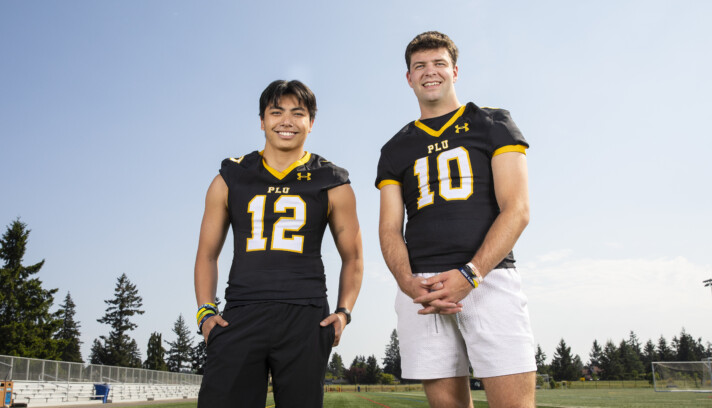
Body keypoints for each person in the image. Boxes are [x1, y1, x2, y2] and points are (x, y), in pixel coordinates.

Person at [376, 31, 536, 408]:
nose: (429, 72)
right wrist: (406, 282)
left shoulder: (492, 122)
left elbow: (517, 209)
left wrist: (471, 273)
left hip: (488, 278)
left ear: (455, 71)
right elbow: (388, 228)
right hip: (424, 289)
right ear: (409, 77)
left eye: (438, 64)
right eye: (420, 66)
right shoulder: (395, 147)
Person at [195, 79, 363, 408]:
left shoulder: (331, 180)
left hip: (306, 317)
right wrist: (205, 312)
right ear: (262, 120)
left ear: (311, 123)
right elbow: (207, 254)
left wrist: (344, 313)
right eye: (276, 112)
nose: (286, 121)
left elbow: (354, 257)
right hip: (240, 313)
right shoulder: (231, 176)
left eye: (297, 113)